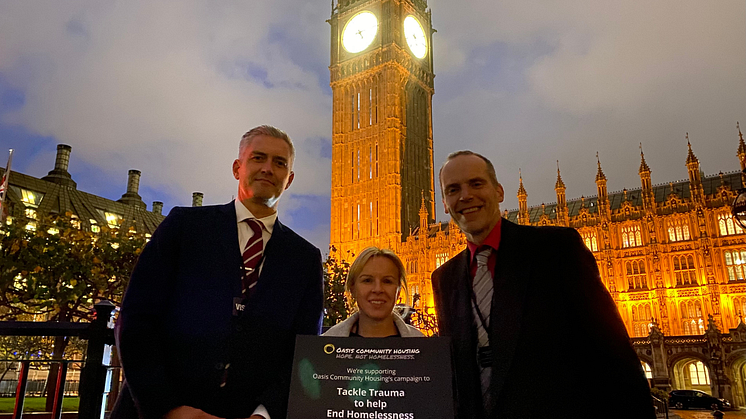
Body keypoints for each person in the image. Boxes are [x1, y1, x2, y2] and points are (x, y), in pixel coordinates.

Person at [112, 125, 324, 419]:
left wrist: (264, 414)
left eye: (279, 163)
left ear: (289, 179)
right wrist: (168, 408)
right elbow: (137, 319)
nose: (267, 169)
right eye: (258, 158)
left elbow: (302, 351)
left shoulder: (305, 258)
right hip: (162, 411)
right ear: (238, 168)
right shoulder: (185, 227)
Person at [432, 150, 655, 418]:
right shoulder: (444, 278)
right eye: (453, 189)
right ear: (444, 203)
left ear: (500, 191)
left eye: (476, 184)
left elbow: (616, 359)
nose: (465, 196)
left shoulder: (555, 249)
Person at [323, 247, 423, 338]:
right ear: (352, 289)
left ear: (398, 290)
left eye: (387, 281)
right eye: (367, 280)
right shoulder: (324, 347)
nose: (378, 289)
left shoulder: (424, 347)